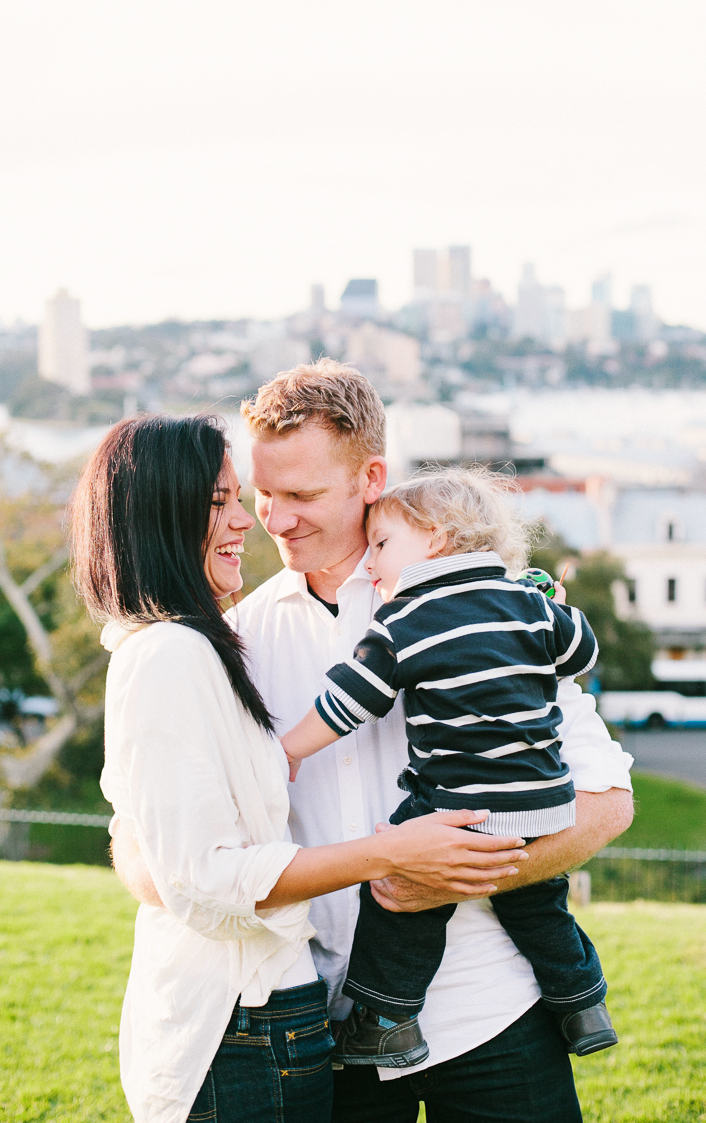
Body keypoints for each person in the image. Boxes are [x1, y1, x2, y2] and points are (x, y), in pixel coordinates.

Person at [113, 360, 634, 1123]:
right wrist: (181, 870)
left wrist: (462, 871)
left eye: (301, 495)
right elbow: (142, 839)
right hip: (328, 1031)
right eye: (262, 494)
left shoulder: (476, 604)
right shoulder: (235, 640)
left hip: (490, 1013)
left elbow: (607, 802)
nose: (274, 518)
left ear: (371, 477)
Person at [73, 413, 519, 1123]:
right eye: (221, 500)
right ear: (162, 514)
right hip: (241, 1017)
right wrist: (391, 851)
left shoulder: (211, 642)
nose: (253, 520)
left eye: (237, 496)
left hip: (304, 1010)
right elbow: (196, 870)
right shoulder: (178, 652)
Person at [282, 468, 617, 1068]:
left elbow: (348, 700)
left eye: (382, 545)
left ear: (435, 538)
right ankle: (582, 1002)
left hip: (459, 800)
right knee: (539, 903)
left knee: (400, 895)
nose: (372, 563)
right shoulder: (527, 602)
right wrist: (556, 610)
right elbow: (580, 656)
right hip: (544, 795)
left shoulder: (407, 620)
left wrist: (290, 748)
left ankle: (389, 1020)